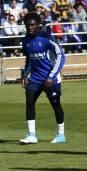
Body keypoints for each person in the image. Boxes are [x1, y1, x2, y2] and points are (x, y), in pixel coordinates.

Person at [19, 13, 65, 145]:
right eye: (27, 25)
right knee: (29, 101)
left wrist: (51, 77)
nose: (30, 27)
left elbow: (60, 56)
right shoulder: (25, 41)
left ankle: (61, 134)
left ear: (38, 25)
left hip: (51, 77)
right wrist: (25, 74)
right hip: (35, 78)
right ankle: (31, 135)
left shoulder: (47, 38)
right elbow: (29, 59)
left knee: (55, 104)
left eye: (32, 24)